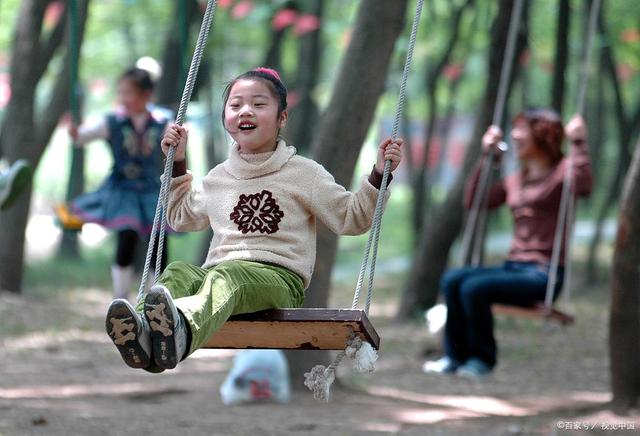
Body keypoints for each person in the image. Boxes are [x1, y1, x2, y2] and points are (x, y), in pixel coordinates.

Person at [104, 67, 403, 372]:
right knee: (179, 272)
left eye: (259, 104)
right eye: (235, 105)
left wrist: (380, 174)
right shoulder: (219, 177)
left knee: (228, 277)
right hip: (218, 277)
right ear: (225, 118)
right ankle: (142, 335)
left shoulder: (303, 173)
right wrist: (178, 162)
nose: (245, 111)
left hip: (278, 279)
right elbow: (181, 218)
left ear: (281, 118)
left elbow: (352, 218)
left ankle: (180, 332)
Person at [423, 108, 592, 378]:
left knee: (473, 288)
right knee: (453, 280)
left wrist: (579, 143)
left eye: (521, 129)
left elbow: (584, 187)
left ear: (543, 134)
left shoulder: (564, 172)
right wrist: (487, 158)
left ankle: (481, 360)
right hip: (514, 267)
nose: (513, 135)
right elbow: (474, 200)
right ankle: (454, 358)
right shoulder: (516, 180)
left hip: (543, 274)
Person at [58, 67, 170, 300]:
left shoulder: (162, 121)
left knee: (159, 238)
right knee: (126, 234)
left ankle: (154, 296)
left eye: (129, 93)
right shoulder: (112, 121)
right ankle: (121, 295)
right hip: (124, 189)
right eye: (121, 92)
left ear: (146, 95)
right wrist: (75, 133)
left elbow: (177, 141)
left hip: (151, 190)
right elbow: (83, 136)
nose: (123, 98)